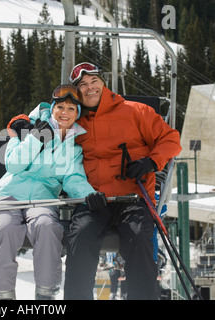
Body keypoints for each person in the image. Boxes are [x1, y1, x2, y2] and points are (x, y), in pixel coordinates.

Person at [62, 62, 182, 300]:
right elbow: (46, 115)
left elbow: (171, 139)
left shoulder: (135, 111)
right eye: (83, 85)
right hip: (94, 199)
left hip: (132, 197)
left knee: (139, 236)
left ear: (103, 83)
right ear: (77, 92)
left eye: (94, 81)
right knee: (81, 235)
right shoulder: (74, 120)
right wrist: (21, 122)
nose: (90, 88)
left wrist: (150, 162)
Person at [0, 84, 103, 300]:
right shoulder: (26, 131)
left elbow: (72, 178)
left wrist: (88, 194)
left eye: (71, 109)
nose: (64, 113)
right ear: (52, 109)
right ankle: (2, 295)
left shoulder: (73, 149)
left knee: (47, 226)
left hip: (42, 200)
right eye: (60, 107)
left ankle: (45, 294)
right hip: (8, 194)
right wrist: (36, 138)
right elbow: (13, 165)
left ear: (77, 115)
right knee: (5, 228)